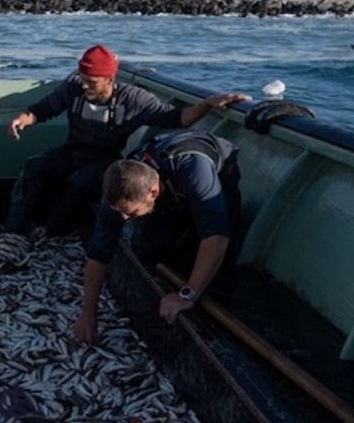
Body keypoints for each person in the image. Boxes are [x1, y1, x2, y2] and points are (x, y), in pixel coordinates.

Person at [5, 44, 249, 237]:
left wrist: (207, 104)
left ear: (110, 79)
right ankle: (13, 232)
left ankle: (53, 231)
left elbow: (175, 118)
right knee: (33, 167)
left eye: (92, 81)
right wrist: (23, 120)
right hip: (71, 150)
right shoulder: (73, 89)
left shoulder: (133, 99)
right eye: (82, 78)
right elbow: (44, 108)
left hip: (103, 161)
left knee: (80, 182)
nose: (85, 84)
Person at [74, 129, 242, 344]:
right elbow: (98, 252)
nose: (124, 218)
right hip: (170, 189)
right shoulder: (120, 191)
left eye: (131, 213)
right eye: (121, 212)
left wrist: (187, 295)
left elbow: (217, 236)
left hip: (217, 180)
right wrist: (88, 313)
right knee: (147, 249)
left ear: (152, 193)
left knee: (215, 258)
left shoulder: (194, 171)